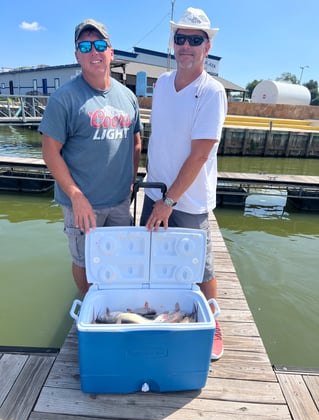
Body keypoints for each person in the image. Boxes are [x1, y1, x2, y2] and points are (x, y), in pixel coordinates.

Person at [140, 8, 227, 360]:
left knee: (202, 267)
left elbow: (199, 156)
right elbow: (158, 138)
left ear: (207, 47)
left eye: (195, 39)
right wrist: (154, 192)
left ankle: (214, 322)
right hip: (154, 190)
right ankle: (162, 312)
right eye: (181, 38)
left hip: (187, 201)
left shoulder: (212, 92)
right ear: (172, 43)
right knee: (155, 258)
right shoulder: (161, 83)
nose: (186, 45)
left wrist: (169, 202)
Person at [39, 19, 142, 297]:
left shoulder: (128, 97)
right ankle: (90, 303)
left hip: (119, 201)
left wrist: (130, 183)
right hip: (81, 204)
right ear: (77, 55)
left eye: (99, 45)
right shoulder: (64, 98)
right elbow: (50, 151)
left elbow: (135, 142)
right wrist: (75, 195)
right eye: (85, 46)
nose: (93, 51)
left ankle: (114, 298)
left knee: (119, 256)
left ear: (111, 52)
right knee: (83, 261)